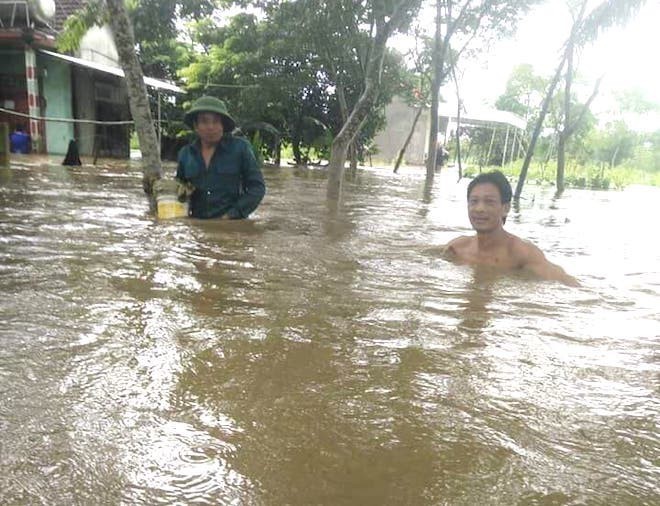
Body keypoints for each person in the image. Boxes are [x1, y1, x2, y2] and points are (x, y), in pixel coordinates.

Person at [443, 170, 579, 286]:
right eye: (474, 201)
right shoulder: (458, 248)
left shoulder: (522, 254)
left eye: (489, 202)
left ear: (505, 208)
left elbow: (566, 282)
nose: (479, 209)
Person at [176, 96, 265, 219]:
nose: (211, 127)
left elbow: (257, 188)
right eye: (204, 121)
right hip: (197, 230)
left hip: (233, 229)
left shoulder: (240, 148)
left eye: (216, 121)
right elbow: (179, 188)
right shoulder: (185, 154)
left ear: (223, 125)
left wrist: (231, 215)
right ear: (196, 126)